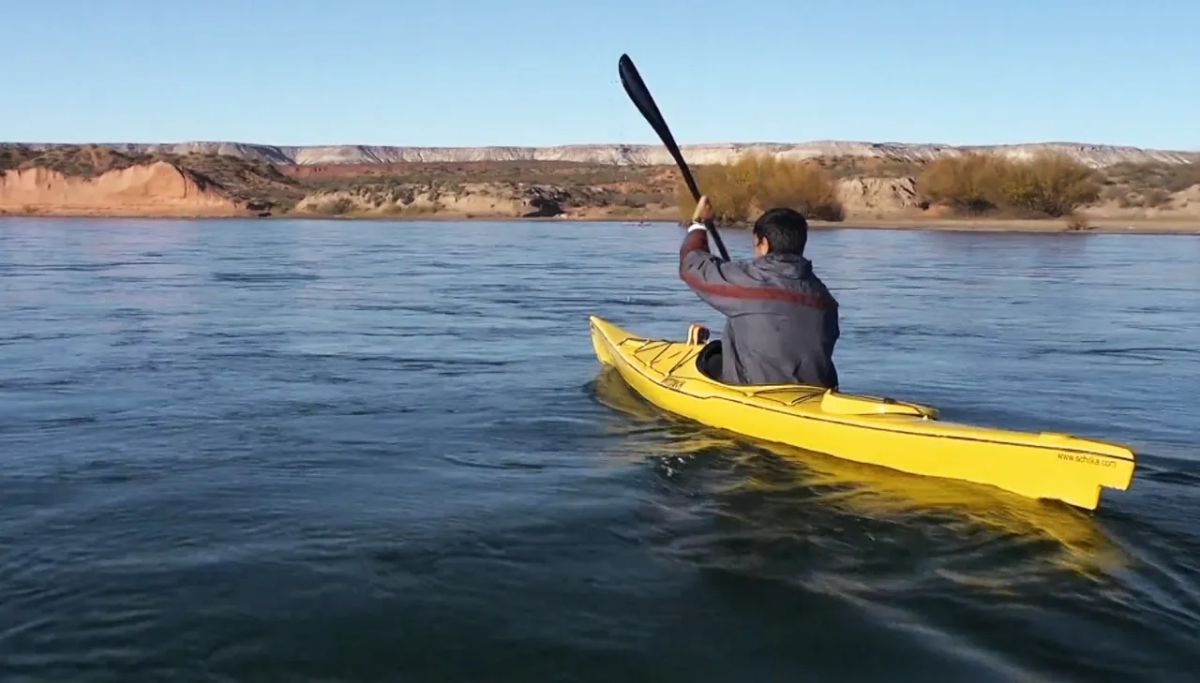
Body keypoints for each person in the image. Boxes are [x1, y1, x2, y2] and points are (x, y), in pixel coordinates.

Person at [680, 196, 839, 388]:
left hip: (755, 391)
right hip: (815, 391)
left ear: (764, 244)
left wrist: (698, 224)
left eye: (755, 244)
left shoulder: (747, 281)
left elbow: (692, 265)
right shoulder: (825, 298)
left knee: (710, 357)